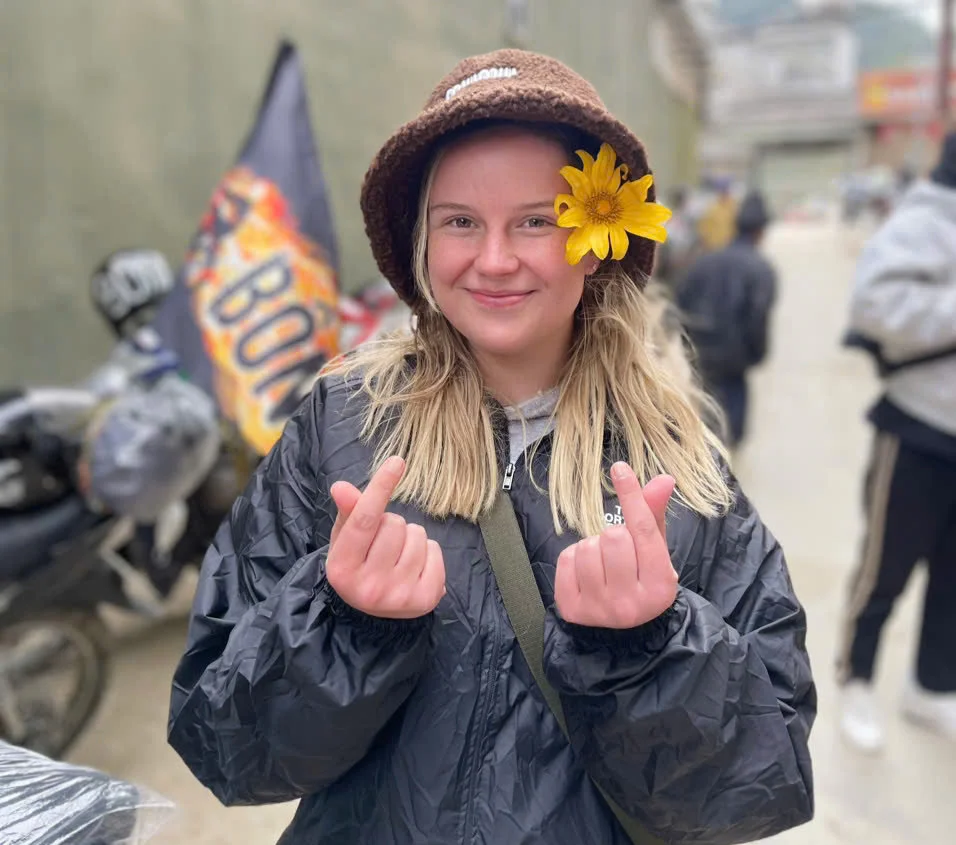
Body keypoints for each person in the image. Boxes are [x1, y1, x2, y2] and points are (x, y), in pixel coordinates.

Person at [167, 49, 815, 844]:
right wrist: (341, 627)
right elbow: (222, 748)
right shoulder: (340, 427)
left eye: (536, 220)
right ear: (422, 242)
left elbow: (762, 785)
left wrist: (650, 653)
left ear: (596, 239)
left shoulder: (676, 465)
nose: (495, 259)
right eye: (460, 222)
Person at [836, 132, 956, 753]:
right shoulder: (925, 221)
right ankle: (855, 679)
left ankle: (931, 687)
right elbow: (874, 305)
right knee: (884, 569)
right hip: (918, 426)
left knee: (953, 579)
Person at [676, 192, 777, 449]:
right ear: (761, 231)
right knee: (733, 428)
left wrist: (685, 345)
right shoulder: (761, 268)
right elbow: (758, 317)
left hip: (699, 351)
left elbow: (680, 303)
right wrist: (757, 354)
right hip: (735, 359)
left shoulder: (704, 262)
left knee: (702, 419)